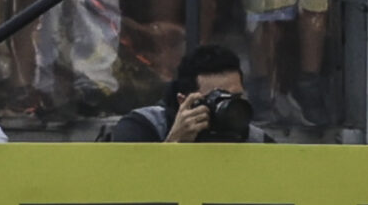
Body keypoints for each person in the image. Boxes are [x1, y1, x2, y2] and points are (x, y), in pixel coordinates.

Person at [107, 41, 265, 143]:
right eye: (218, 99)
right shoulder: (145, 127)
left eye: (236, 97)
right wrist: (175, 143)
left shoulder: (255, 139)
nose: (230, 107)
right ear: (184, 101)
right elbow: (128, 187)